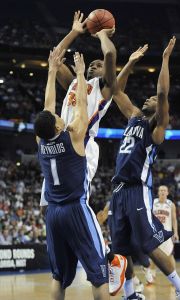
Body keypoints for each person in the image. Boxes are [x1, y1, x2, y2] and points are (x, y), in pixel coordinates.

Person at [39, 10, 127, 294]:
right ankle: (95, 255)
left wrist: (101, 33)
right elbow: (55, 58)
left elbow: (111, 57)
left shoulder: (103, 89)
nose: (95, 65)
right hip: (60, 142)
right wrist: (75, 31)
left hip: (80, 147)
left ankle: (108, 258)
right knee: (51, 207)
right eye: (93, 63)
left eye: (99, 65)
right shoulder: (75, 83)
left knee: (76, 207)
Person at [34, 47, 110, 300]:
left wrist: (52, 71)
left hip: (53, 213)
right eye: (56, 116)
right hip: (75, 209)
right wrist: (79, 74)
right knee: (100, 276)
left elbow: (48, 105)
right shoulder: (75, 137)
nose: (57, 113)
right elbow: (81, 107)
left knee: (59, 278)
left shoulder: (41, 143)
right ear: (57, 124)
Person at [108, 36, 180, 300]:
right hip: (118, 189)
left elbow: (161, 93)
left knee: (148, 245)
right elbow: (115, 90)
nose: (148, 97)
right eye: (147, 97)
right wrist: (129, 62)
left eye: (151, 99)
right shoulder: (135, 117)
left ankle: (179, 286)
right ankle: (130, 295)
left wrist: (164, 59)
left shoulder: (155, 128)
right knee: (120, 249)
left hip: (138, 190)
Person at [150, 185, 179, 277]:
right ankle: (151, 277)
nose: (162, 192)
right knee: (153, 256)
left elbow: (174, 220)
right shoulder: (152, 203)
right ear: (158, 192)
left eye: (164, 190)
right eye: (161, 190)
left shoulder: (171, 204)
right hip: (154, 234)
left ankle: (175, 278)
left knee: (170, 256)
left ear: (167, 193)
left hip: (167, 235)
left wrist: (176, 233)